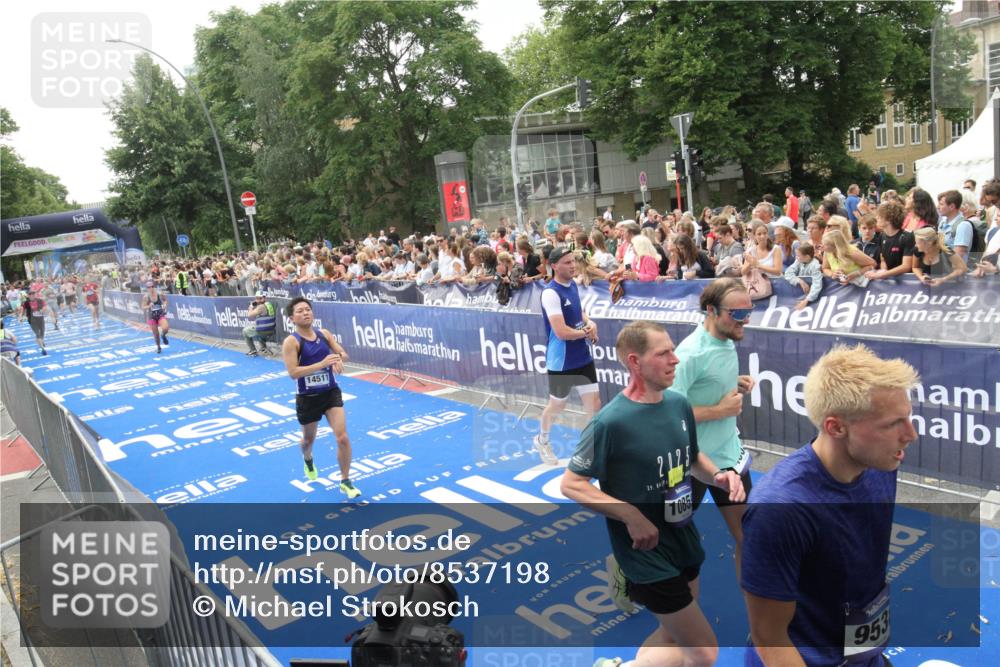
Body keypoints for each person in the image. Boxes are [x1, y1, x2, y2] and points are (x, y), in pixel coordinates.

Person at [562, 320, 745, 667]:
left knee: (672, 634)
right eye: (663, 353)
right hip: (644, 553)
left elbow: (691, 458)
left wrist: (718, 475)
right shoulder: (610, 422)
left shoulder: (677, 404)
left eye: (673, 350)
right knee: (704, 652)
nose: (675, 360)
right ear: (635, 362)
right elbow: (572, 483)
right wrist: (630, 515)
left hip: (682, 536)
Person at [741, 344, 919, 667]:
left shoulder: (881, 465)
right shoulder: (779, 509)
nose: (911, 434)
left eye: (908, 417)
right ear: (835, 427)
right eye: (892, 424)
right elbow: (770, 638)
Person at [670, 278, 754, 579]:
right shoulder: (691, 353)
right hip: (691, 463)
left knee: (750, 539)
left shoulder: (727, 337)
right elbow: (669, 415)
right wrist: (720, 410)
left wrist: (734, 382)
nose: (745, 319)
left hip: (729, 457)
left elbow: (709, 382)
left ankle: (758, 623)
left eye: (749, 311)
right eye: (737, 313)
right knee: (664, 538)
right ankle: (626, 572)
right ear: (711, 311)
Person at [281, 297, 360, 497]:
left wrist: (337, 359)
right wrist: (322, 363)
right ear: (292, 318)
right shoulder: (291, 342)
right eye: (300, 311)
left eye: (308, 309)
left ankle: (345, 480)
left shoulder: (324, 334)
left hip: (330, 392)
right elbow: (293, 372)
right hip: (308, 397)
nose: (305, 313)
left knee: (342, 437)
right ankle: (308, 459)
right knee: (308, 440)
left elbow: (343, 353)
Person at [534, 246, 600, 466]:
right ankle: (542, 440)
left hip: (582, 356)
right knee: (557, 405)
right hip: (561, 361)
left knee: (594, 405)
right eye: (567, 262)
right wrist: (585, 332)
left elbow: (579, 312)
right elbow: (561, 332)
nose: (572, 265)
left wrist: (590, 323)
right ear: (554, 266)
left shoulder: (572, 284)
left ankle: (590, 449)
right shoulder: (551, 293)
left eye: (573, 261)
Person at [867, 200, 914, 280]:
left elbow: (906, 266)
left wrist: (883, 274)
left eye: (879, 216)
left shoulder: (907, 236)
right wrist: (883, 271)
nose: (876, 218)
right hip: (889, 280)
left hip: (905, 282)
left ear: (889, 219)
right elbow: (883, 260)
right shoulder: (882, 235)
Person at [783, 242, 824, 310]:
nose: (796, 257)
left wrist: (807, 300)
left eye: (799, 255)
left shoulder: (815, 266)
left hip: (811, 298)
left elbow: (817, 284)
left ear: (807, 257)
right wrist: (800, 281)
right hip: (799, 295)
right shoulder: (798, 261)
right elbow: (788, 273)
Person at [243, 290, 277, 356]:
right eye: (257, 298)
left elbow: (249, 315)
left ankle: (253, 350)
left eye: (260, 298)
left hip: (263, 331)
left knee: (245, 331)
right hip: (271, 330)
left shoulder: (260, 307)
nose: (258, 300)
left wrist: (251, 307)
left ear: (264, 298)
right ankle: (263, 348)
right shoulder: (269, 304)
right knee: (256, 328)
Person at [19, 286, 50, 356]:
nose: (32, 295)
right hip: (32, 320)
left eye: (33, 294)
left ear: (35, 294)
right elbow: (22, 311)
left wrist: (43, 310)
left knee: (42, 332)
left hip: (40, 318)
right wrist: (20, 317)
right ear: (28, 295)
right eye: (30, 294)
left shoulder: (40, 300)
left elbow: (45, 307)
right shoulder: (26, 303)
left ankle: (41, 341)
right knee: (37, 334)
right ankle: (43, 349)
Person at [141, 281, 170, 354]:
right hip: (152, 316)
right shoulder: (146, 297)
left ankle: (163, 335)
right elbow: (143, 306)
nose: (150, 288)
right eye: (148, 287)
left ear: (154, 287)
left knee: (165, 328)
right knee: (156, 334)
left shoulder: (159, 293)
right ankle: (158, 347)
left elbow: (165, 300)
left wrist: (164, 305)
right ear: (147, 288)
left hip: (160, 314)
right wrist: (149, 306)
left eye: (152, 287)